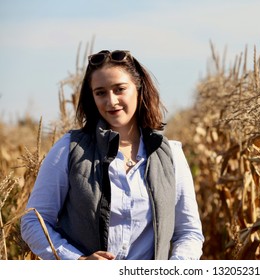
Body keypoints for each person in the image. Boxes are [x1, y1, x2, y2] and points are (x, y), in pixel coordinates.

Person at [21, 50, 204, 260]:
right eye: (100, 92)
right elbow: (33, 220)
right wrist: (76, 261)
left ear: (138, 88)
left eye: (119, 89)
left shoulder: (170, 155)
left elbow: (188, 232)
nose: (111, 101)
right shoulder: (69, 149)